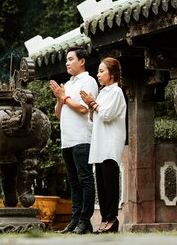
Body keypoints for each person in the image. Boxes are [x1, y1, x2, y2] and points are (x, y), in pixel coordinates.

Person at [49, 47, 98, 234]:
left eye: (70, 59)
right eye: (66, 60)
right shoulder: (67, 84)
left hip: (82, 138)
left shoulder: (89, 81)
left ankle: (85, 221)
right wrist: (59, 99)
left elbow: (84, 109)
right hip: (67, 139)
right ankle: (75, 219)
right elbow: (58, 114)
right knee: (73, 182)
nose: (67, 63)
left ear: (82, 61)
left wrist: (64, 96)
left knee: (85, 180)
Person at [80, 57, 126, 234]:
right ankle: (106, 218)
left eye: (102, 71)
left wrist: (93, 103)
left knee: (111, 185)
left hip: (110, 145)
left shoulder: (116, 92)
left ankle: (112, 219)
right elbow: (95, 120)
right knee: (102, 185)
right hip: (99, 145)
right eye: (98, 71)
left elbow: (107, 115)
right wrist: (91, 107)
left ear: (112, 73)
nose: (98, 75)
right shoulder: (103, 92)